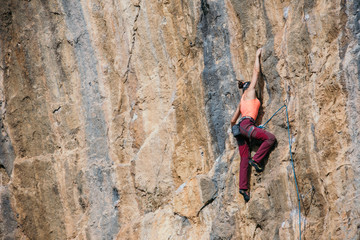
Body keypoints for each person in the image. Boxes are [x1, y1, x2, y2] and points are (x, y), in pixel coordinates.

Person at [231, 48, 276, 202]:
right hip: (247, 125)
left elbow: (232, 121)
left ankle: (243, 189)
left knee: (244, 157)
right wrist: (257, 55)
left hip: (241, 128)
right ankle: (256, 160)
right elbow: (256, 72)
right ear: (248, 88)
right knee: (270, 138)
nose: (254, 88)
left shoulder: (241, 102)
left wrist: (235, 129)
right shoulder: (249, 92)